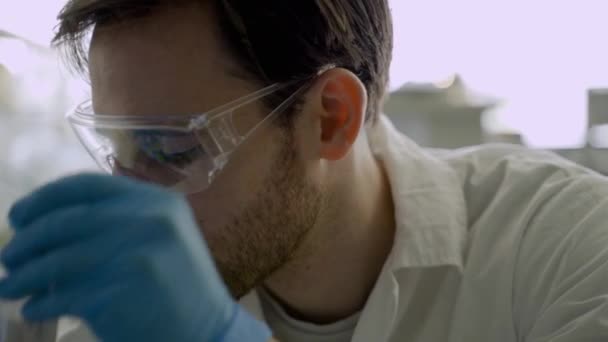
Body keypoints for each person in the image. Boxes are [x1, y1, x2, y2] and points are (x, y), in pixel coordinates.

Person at [1, 0, 608, 341]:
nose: (131, 200)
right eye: (118, 149)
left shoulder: (565, 247)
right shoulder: (114, 315)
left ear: (330, 120)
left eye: (169, 150)